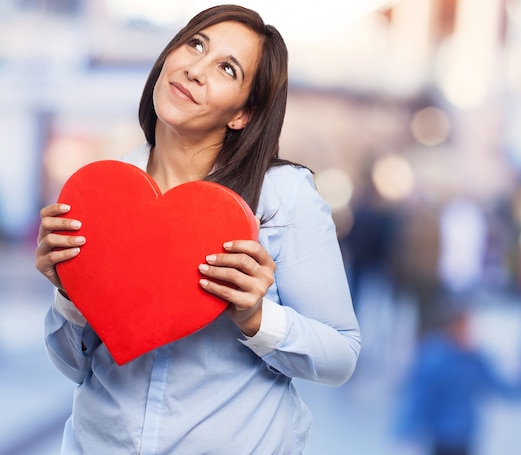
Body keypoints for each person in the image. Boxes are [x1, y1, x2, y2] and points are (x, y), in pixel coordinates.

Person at [34, 5, 361, 454]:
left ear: (242, 114)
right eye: (195, 44)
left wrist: (256, 318)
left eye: (227, 68)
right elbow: (75, 367)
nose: (195, 70)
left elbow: (341, 357)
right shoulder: (103, 193)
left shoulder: (282, 196)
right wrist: (70, 290)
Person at [392, 301, 521, 455]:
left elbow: (498, 384)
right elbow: (419, 397)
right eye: (463, 327)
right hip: (441, 436)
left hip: (465, 435)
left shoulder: (474, 360)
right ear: (450, 328)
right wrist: (406, 429)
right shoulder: (434, 360)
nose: (468, 332)